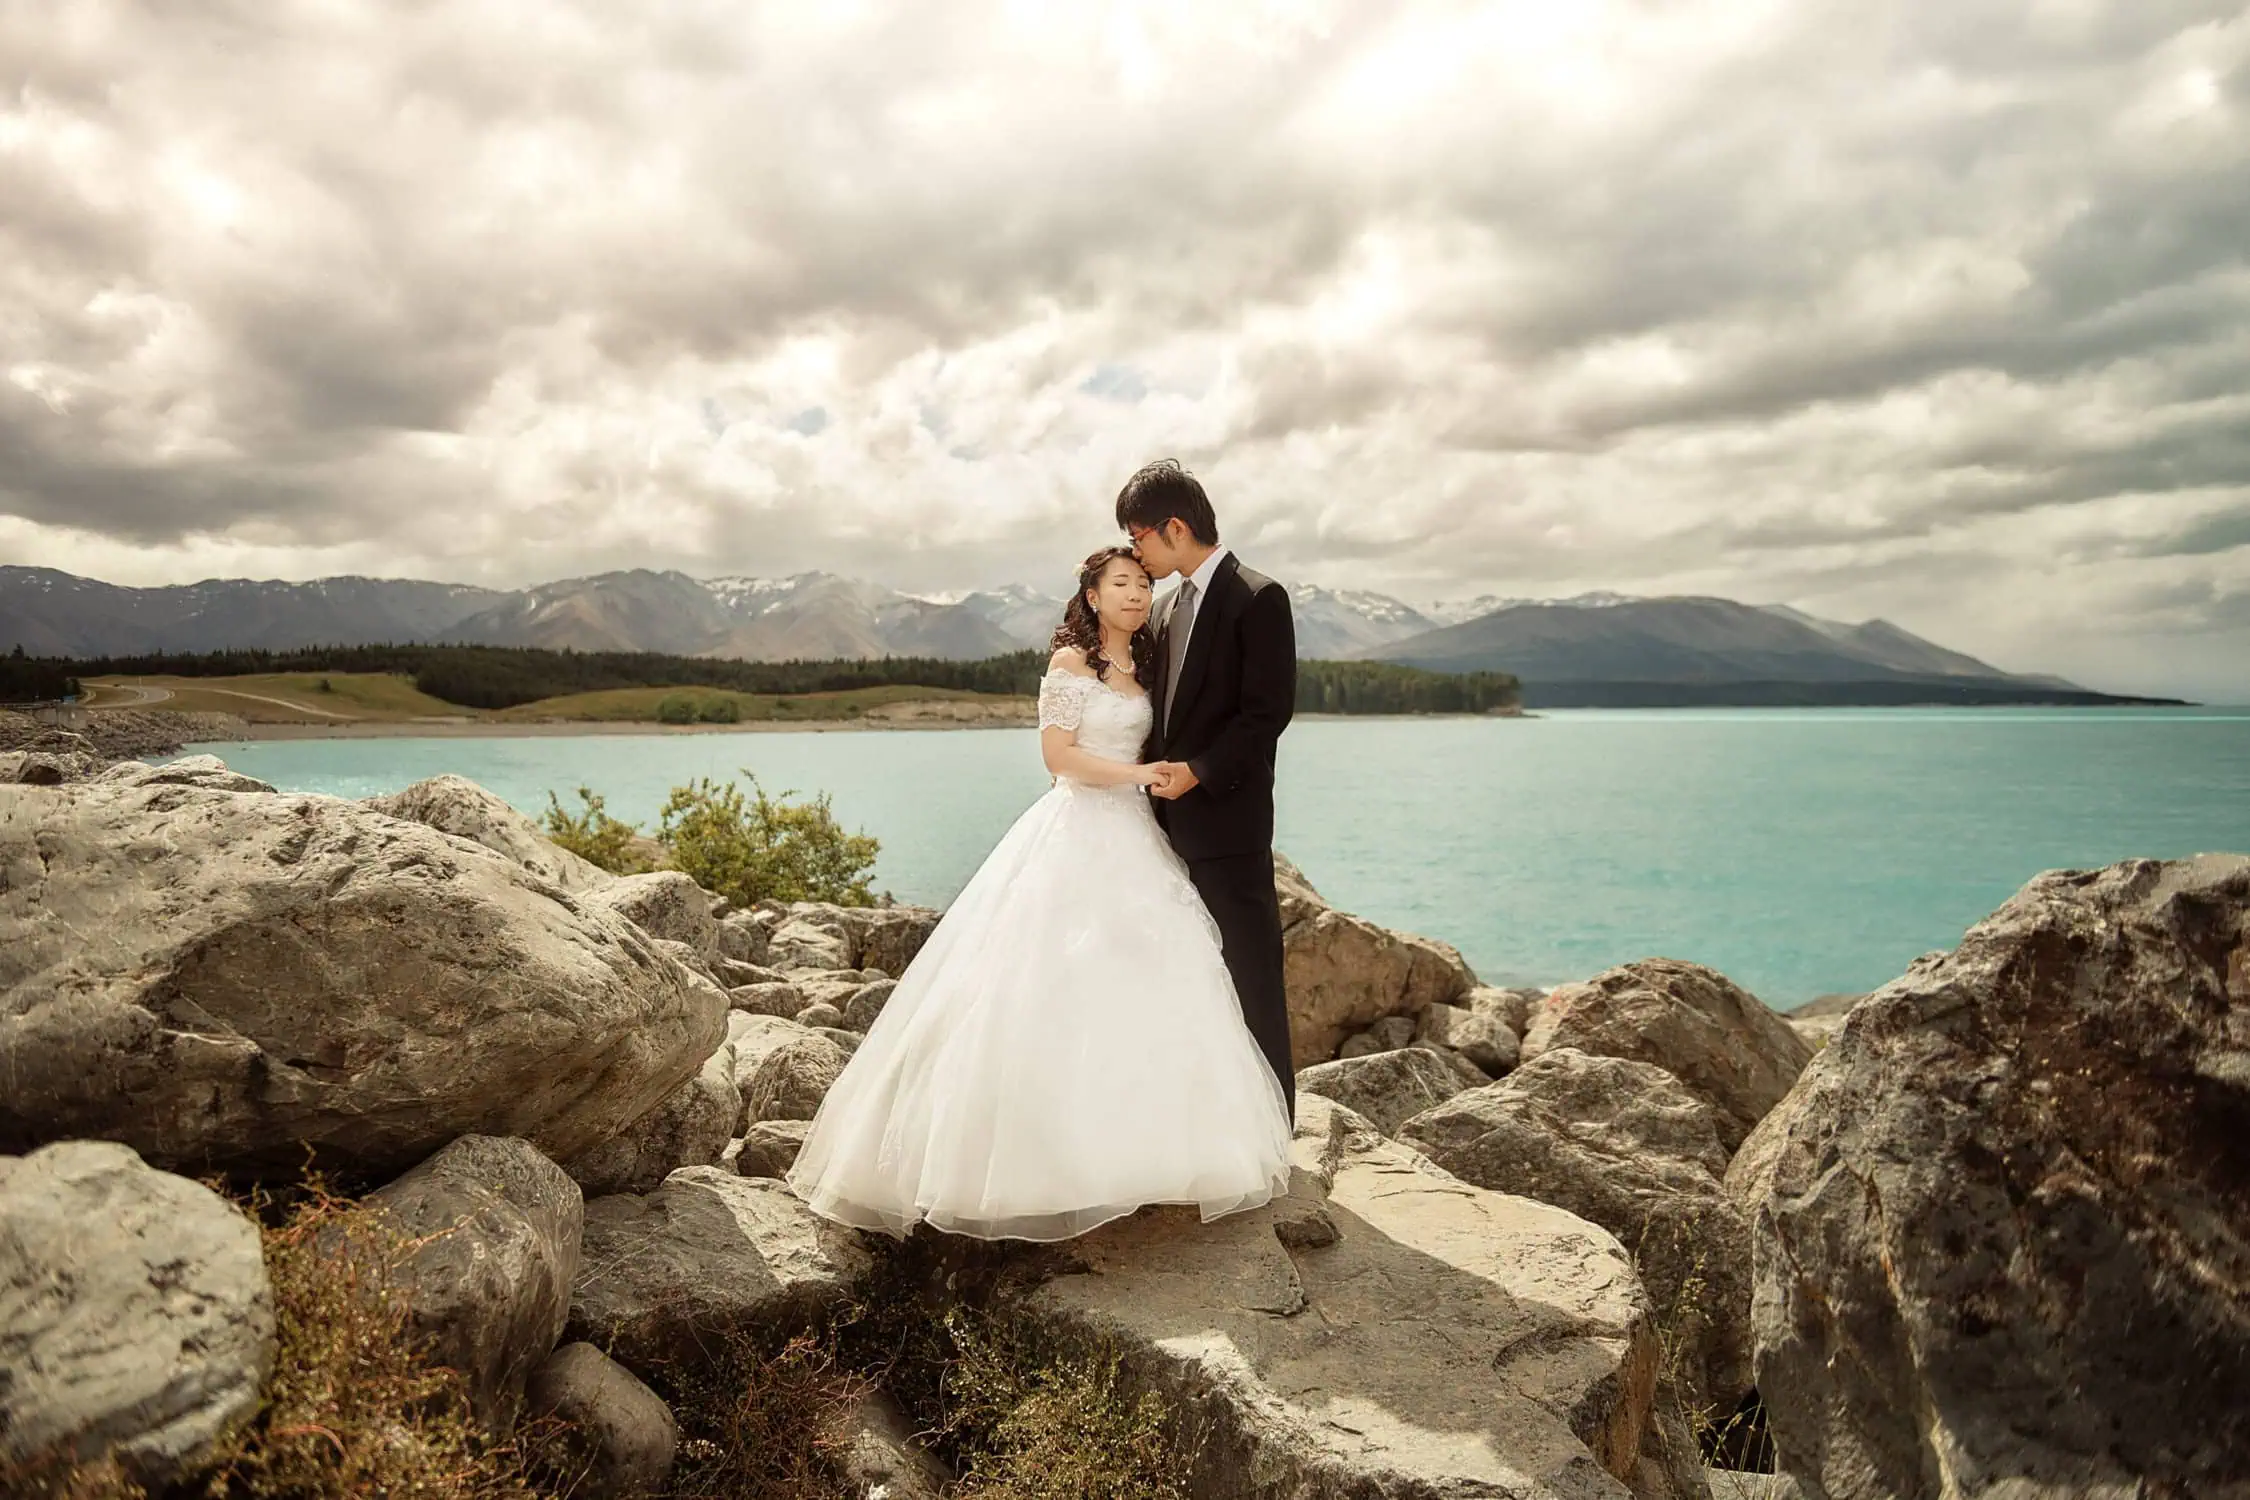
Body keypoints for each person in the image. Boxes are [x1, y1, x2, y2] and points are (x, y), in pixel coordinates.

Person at [786, 544, 1293, 1242]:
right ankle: (1037, 1167)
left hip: (1139, 837)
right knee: (1046, 981)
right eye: (1121, 584)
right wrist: (1140, 777)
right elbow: (1059, 759)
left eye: (1143, 583)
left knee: (1155, 982)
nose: (1136, 594)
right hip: (1080, 827)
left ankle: (1150, 1156)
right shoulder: (1069, 665)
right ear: (1091, 597)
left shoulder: (1147, 665)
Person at [1120, 459, 1300, 1119]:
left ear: (1174, 527)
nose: (1136, 551)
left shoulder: (1258, 597)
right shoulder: (1165, 607)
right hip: (1162, 833)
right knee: (1187, 981)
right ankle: (1205, 1123)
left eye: (1139, 537)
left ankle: (1274, 1129)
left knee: (1251, 978)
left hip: (1228, 827)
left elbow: (1267, 714)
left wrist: (1198, 772)